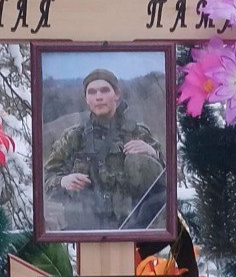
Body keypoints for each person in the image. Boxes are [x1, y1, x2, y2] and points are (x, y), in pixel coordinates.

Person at [42, 68, 165, 231]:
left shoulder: (138, 133)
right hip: (85, 230)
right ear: (86, 99)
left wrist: (152, 153)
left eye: (105, 90)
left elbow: (167, 180)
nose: (98, 97)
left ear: (117, 94)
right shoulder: (73, 137)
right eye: (92, 92)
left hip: (135, 228)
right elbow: (46, 179)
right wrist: (63, 181)